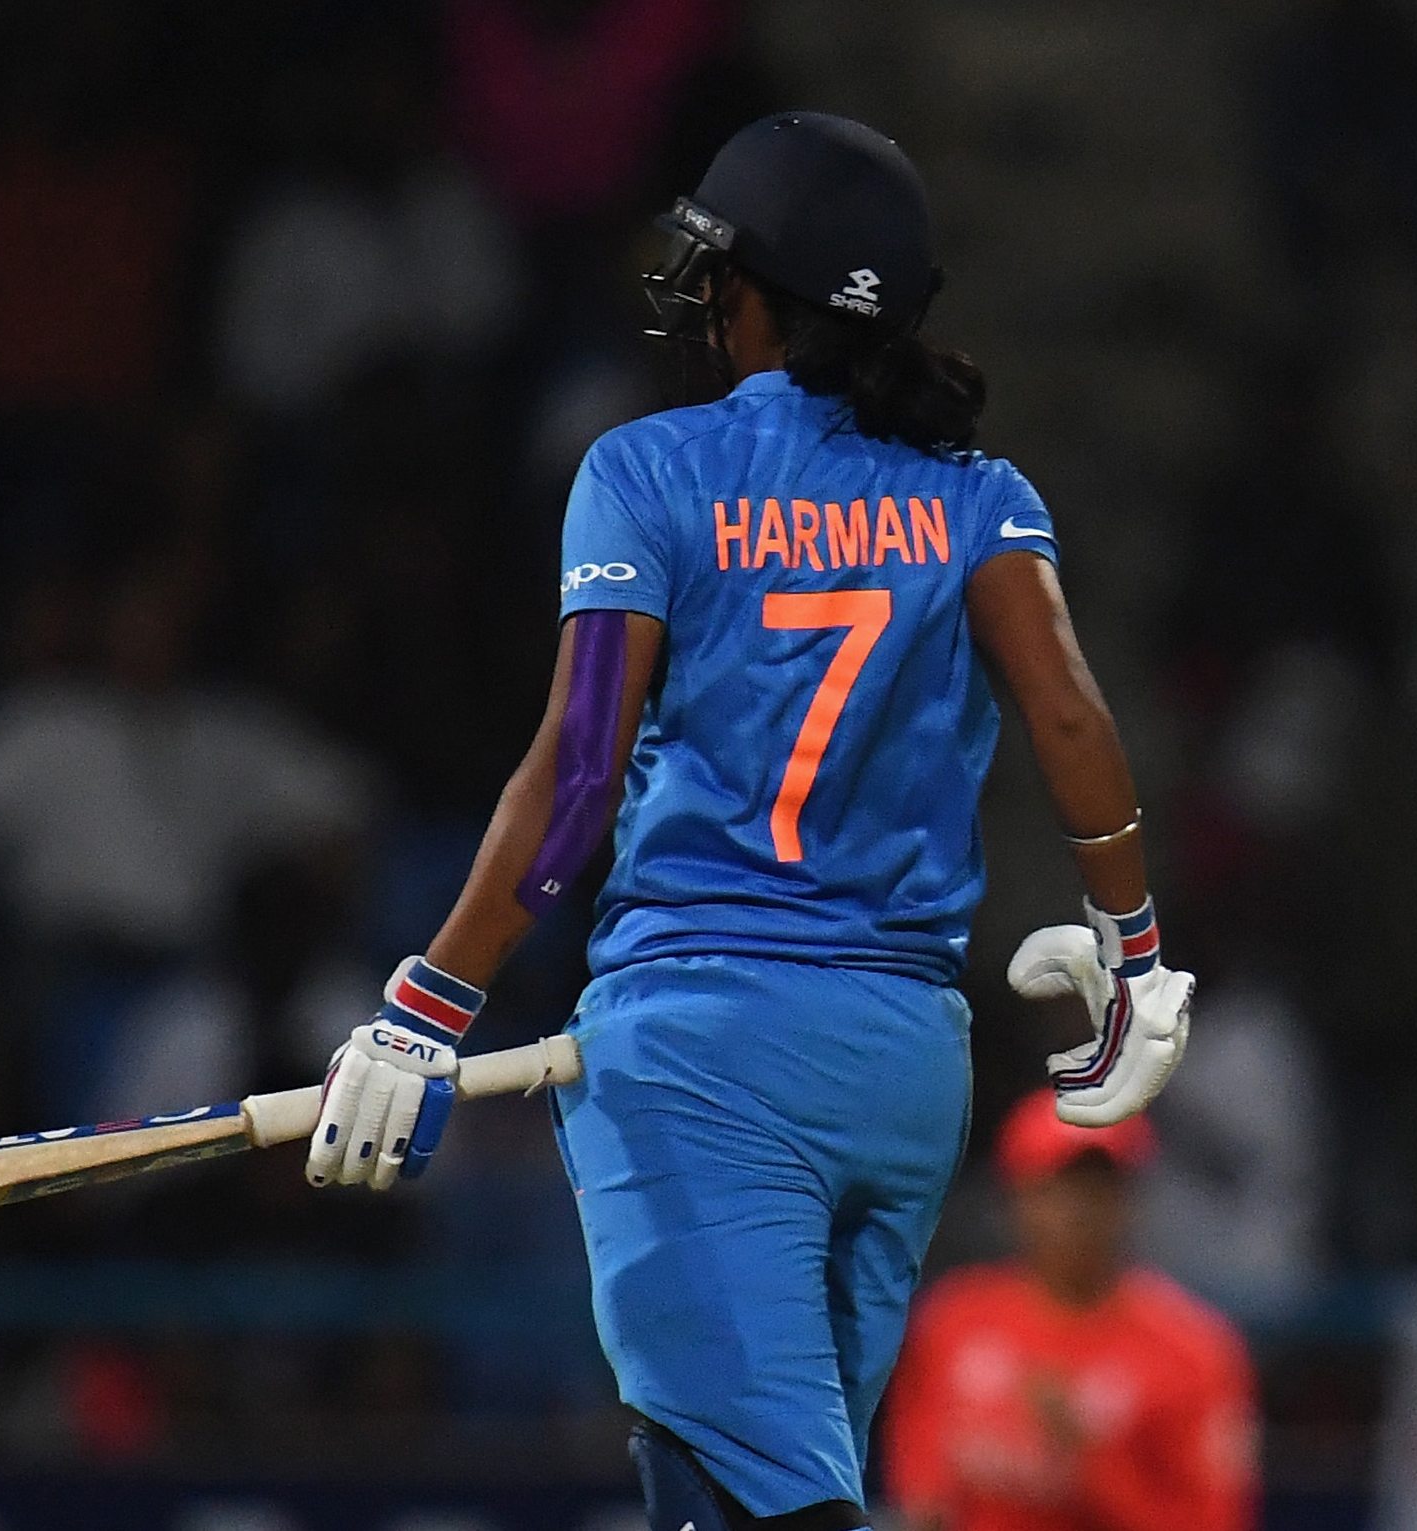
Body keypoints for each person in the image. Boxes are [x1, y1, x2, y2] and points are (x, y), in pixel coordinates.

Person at [291, 113, 1195, 1531]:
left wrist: (427, 1003)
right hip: (906, 1065)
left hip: (702, 1050)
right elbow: (1074, 722)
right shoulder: (980, 495)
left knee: (740, 1497)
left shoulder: (648, 470)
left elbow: (578, 774)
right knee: (787, 1479)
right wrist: (1135, 950)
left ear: (757, 287)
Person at [882, 1090, 1259, 1531]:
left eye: (1098, 1190)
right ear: (1014, 1198)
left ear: (1131, 1201)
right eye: (1056, 1189)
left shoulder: (1196, 1349)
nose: (1077, 1212)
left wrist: (1092, 1459)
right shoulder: (952, 1321)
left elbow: (1215, 1519)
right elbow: (921, 1493)